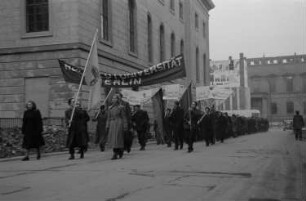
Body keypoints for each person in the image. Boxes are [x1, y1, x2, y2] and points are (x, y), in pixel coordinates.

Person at [106, 94, 128, 160]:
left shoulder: (121, 107)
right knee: (113, 139)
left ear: (118, 99)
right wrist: (107, 125)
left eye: (115, 98)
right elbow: (108, 118)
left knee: (118, 138)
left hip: (119, 123)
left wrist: (125, 125)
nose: (113, 99)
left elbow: (124, 117)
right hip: (112, 124)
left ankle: (120, 150)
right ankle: (115, 153)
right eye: (113, 98)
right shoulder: (110, 108)